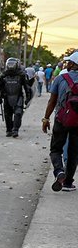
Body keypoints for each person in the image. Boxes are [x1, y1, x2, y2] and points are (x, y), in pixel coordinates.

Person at [43, 51, 78, 192]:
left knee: (56, 149)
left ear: (73, 64)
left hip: (61, 119)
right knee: (74, 152)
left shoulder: (60, 78)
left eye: (69, 62)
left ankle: (59, 172)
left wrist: (46, 118)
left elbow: (52, 101)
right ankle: (68, 183)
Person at [0, 57, 31, 137]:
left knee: (18, 113)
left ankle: (15, 130)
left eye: (12, 65)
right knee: (7, 114)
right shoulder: (3, 75)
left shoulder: (21, 75)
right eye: (10, 65)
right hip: (7, 97)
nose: (11, 67)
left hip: (18, 96)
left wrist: (28, 97)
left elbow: (26, 87)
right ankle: (9, 130)